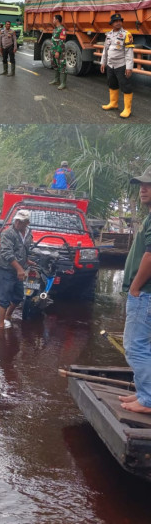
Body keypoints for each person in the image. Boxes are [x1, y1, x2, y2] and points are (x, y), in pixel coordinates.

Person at [119, 166, 151, 413]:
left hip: (145, 294)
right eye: (142, 184)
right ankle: (144, 394)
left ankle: (148, 399)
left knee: (135, 347)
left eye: (149, 185)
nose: (143, 189)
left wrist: (135, 288)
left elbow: (150, 256)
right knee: (144, 346)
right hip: (145, 293)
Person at [0, 210, 33, 328]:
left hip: (18, 269)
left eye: (20, 221)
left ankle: (8, 315)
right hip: (5, 268)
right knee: (4, 298)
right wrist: (19, 269)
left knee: (18, 295)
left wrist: (27, 260)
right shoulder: (8, 233)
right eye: (16, 220)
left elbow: (26, 249)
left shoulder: (28, 234)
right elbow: (7, 253)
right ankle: (1, 324)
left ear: (27, 222)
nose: (17, 223)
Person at [100, 13, 135, 118]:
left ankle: (127, 109)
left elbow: (129, 52)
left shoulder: (126, 34)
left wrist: (129, 67)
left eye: (120, 21)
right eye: (116, 21)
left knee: (125, 85)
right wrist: (103, 62)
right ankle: (113, 103)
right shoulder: (109, 35)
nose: (118, 22)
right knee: (112, 83)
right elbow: (105, 50)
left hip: (121, 65)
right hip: (111, 65)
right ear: (112, 23)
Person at [49, 14, 67, 90]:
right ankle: (57, 80)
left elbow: (62, 41)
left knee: (62, 66)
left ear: (57, 20)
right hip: (53, 50)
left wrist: (58, 51)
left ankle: (63, 83)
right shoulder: (55, 29)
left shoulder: (62, 29)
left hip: (59, 51)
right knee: (55, 65)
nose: (53, 20)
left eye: (53, 19)